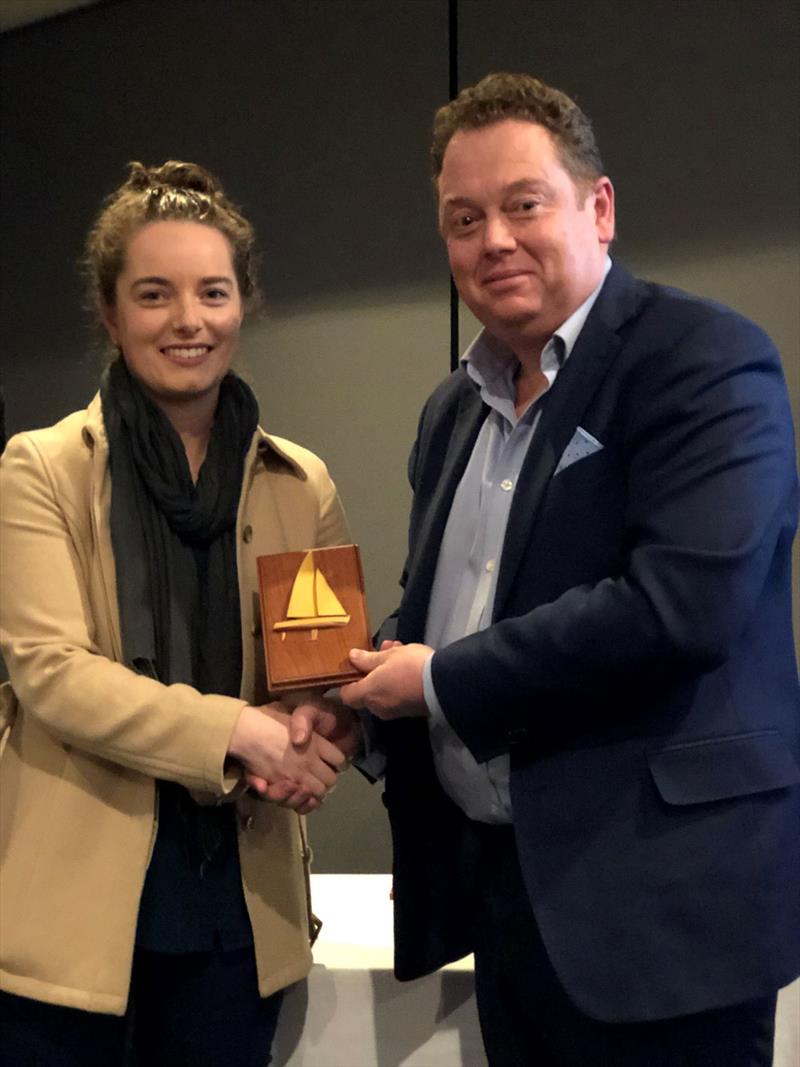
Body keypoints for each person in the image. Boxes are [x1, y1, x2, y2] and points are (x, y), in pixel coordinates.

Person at [299, 74, 800, 1065]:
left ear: (597, 208)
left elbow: (676, 606)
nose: (492, 239)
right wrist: (364, 695)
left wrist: (436, 678)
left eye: (523, 203)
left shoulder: (700, 360)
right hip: (512, 902)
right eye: (462, 217)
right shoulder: (453, 406)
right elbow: (442, 602)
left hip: (663, 918)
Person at [0, 160, 357, 1066]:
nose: (187, 320)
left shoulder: (297, 479)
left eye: (212, 292)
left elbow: (318, 668)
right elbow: (54, 674)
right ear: (112, 316)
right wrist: (241, 728)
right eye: (154, 295)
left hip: (239, 920)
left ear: (244, 305)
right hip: (70, 932)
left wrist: (321, 726)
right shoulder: (40, 469)